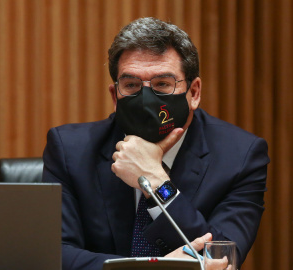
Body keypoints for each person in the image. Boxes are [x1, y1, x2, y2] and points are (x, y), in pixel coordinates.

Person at [42, 17, 269, 270]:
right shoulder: (70, 150)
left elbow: (222, 258)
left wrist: (156, 181)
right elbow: (54, 255)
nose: (147, 100)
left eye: (163, 84)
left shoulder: (240, 156)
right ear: (115, 97)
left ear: (193, 93)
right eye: (132, 85)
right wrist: (153, 268)